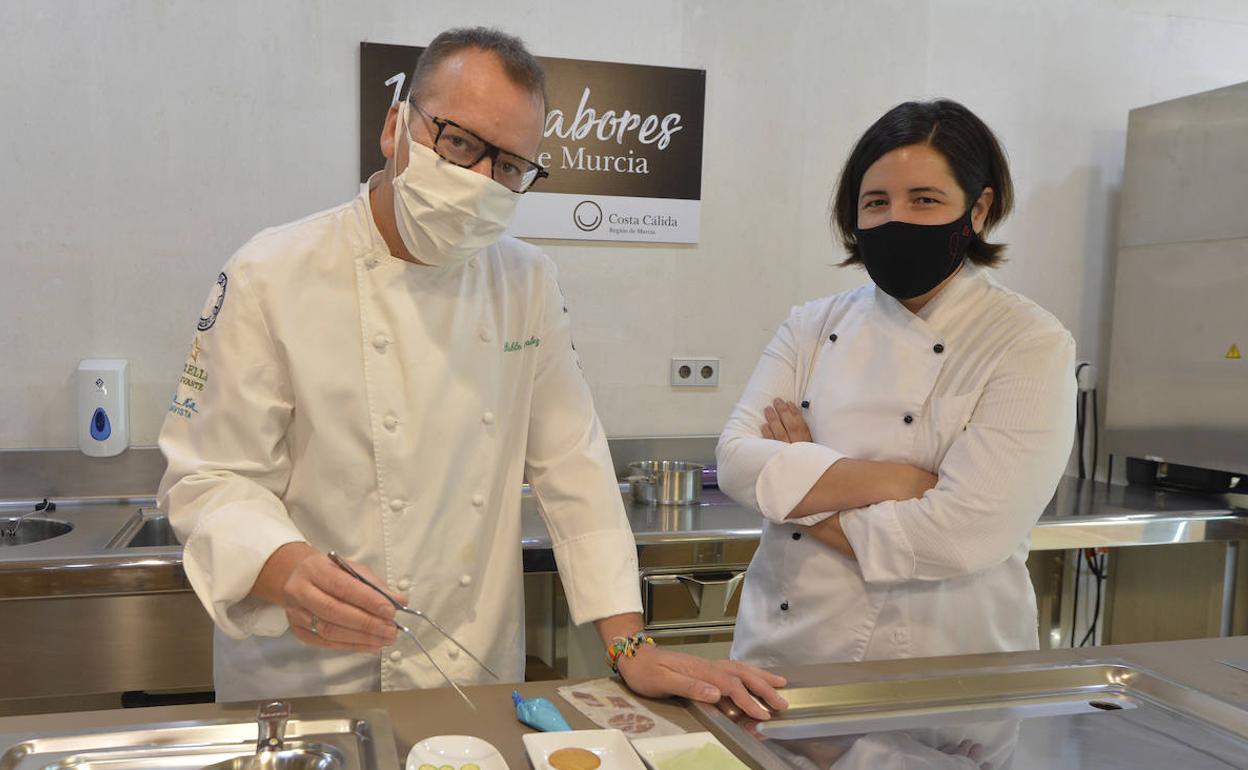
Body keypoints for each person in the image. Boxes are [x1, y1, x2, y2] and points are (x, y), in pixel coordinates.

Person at [159, 26, 785, 715]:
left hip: (472, 676)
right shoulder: (269, 273)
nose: (480, 182)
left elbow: (571, 463)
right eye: (459, 143)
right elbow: (210, 477)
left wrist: (630, 645)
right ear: (396, 126)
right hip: (307, 681)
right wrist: (285, 570)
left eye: (511, 166)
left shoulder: (527, 282)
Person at [717, 99, 1076, 670]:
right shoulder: (812, 324)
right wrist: (902, 481)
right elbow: (735, 463)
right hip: (779, 654)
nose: (895, 220)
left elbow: (960, 536)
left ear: (978, 209)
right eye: (876, 202)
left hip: (937, 675)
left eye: (925, 200)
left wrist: (795, 485)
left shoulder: (1027, 342)